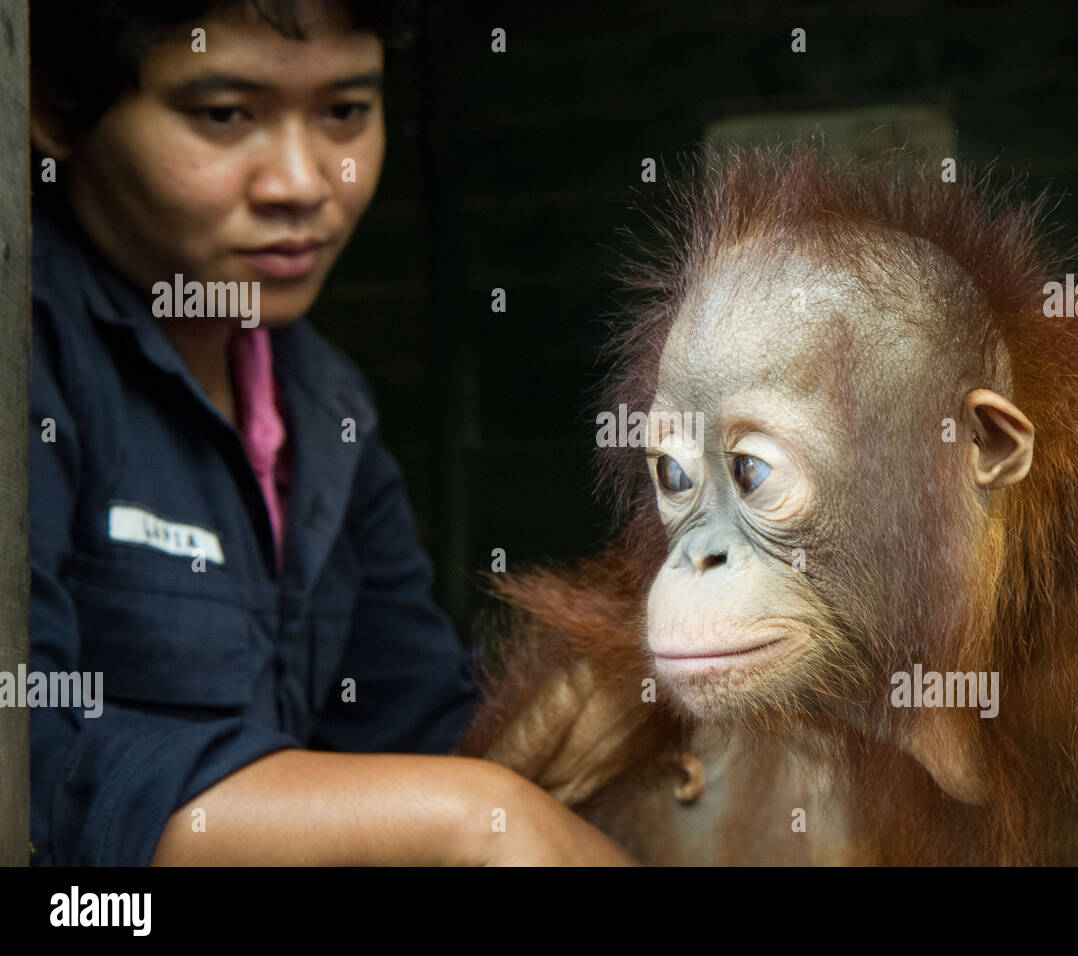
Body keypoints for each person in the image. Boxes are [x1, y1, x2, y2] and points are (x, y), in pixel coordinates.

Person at [27, 0, 632, 866]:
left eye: (345, 111)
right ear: (53, 109)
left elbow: (412, 723)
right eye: (225, 114)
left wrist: (609, 710)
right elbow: (28, 769)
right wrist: (469, 818)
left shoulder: (321, 402)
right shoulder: (32, 352)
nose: (302, 183)